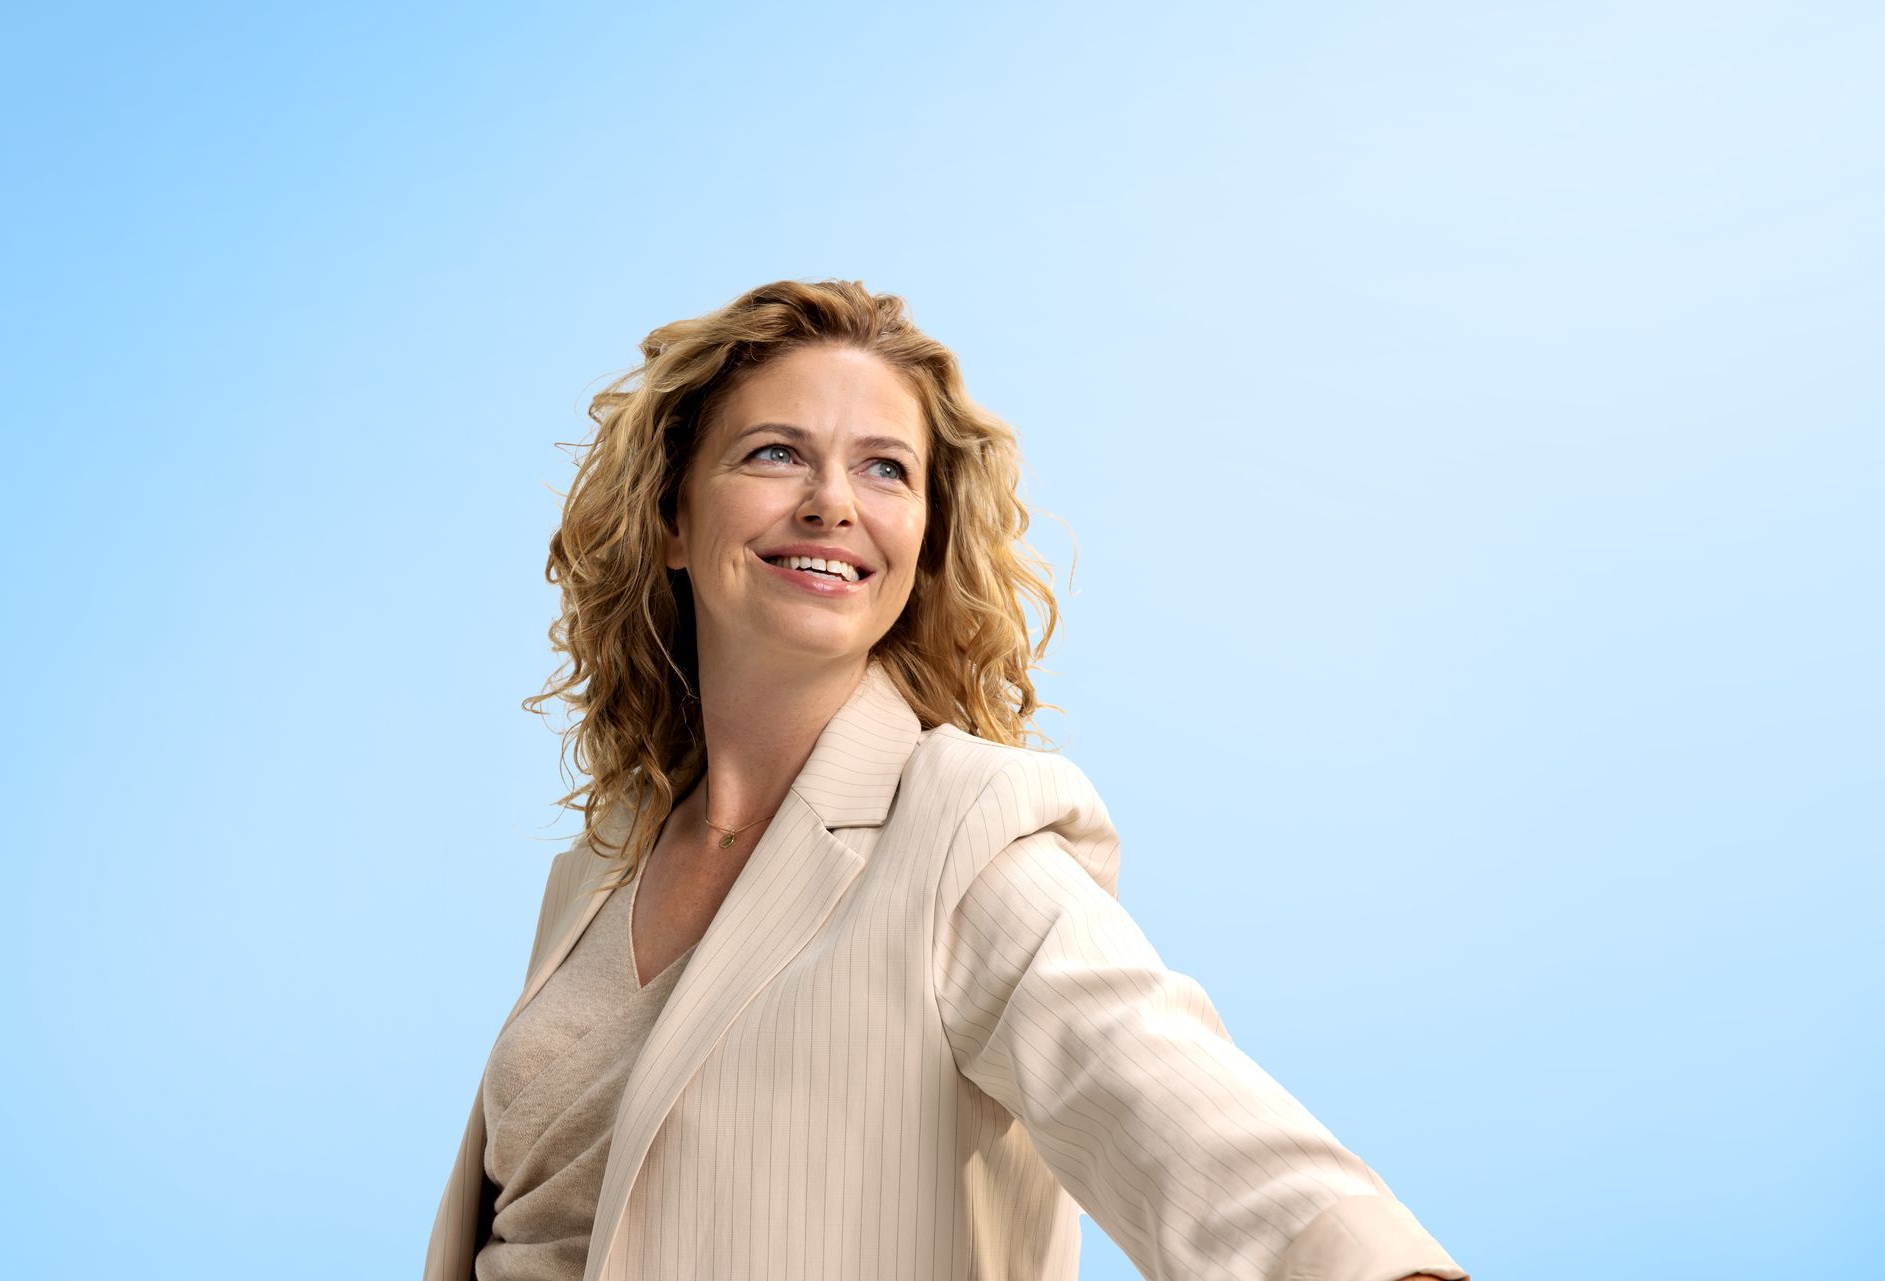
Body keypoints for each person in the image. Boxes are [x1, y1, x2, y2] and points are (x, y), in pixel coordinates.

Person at [424, 279, 1469, 1281]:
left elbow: (1167, 1100)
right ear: (670, 521)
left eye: (885, 469)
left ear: (923, 543)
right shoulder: (608, 860)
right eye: (776, 453)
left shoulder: (966, 833)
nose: (832, 502)